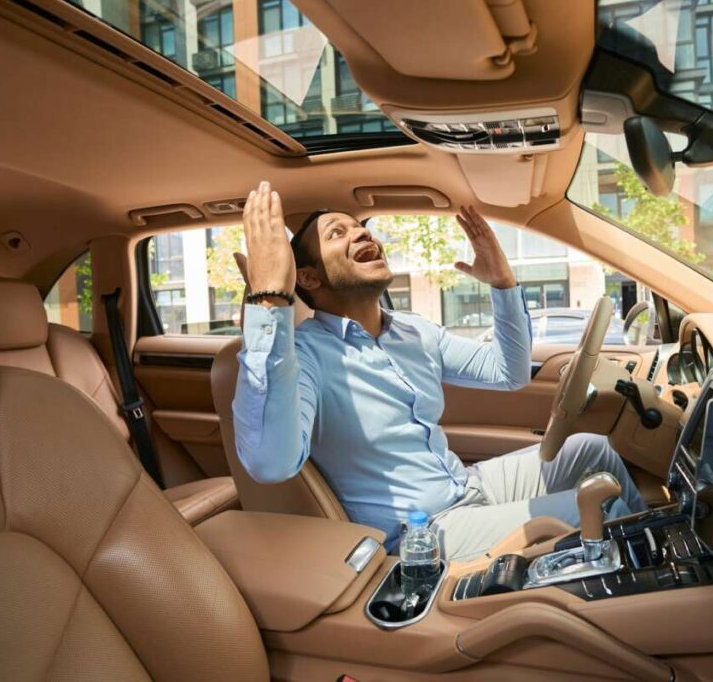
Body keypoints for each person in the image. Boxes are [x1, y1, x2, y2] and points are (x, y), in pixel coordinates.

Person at [233, 181, 646, 561]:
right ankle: (655, 591)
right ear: (307, 277)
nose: (362, 233)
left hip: (465, 485)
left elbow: (509, 372)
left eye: (359, 227)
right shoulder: (303, 354)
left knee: (595, 449)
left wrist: (501, 282)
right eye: (337, 233)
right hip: (423, 529)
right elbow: (270, 464)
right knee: (602, 504)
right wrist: (270, 296)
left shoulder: (414, 330)